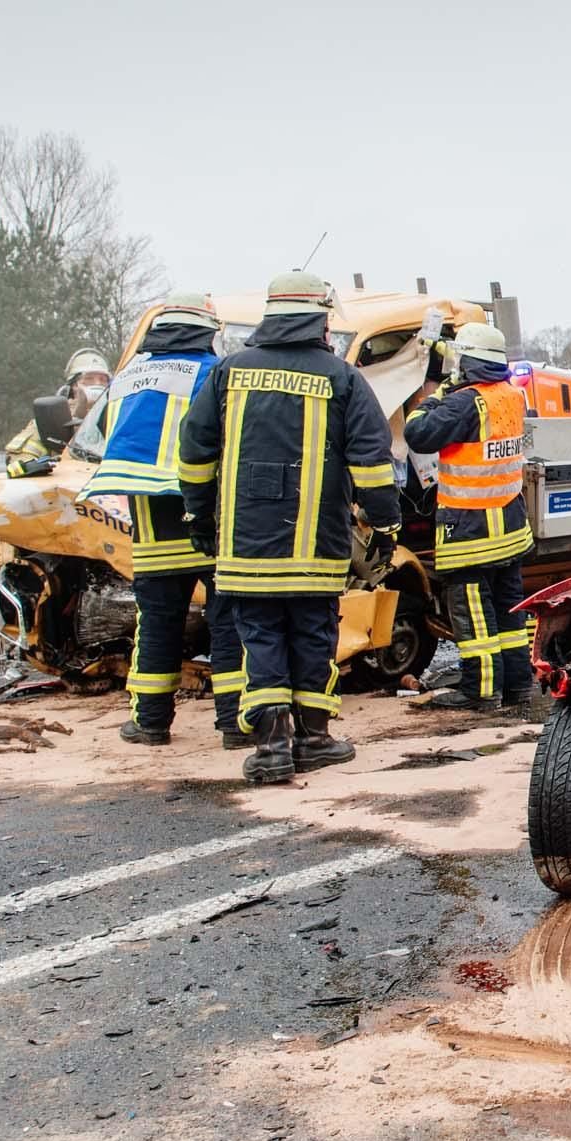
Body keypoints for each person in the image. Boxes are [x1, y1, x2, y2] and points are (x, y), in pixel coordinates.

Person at [179, 271, 400, 783]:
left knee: (260, 639)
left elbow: (195, 452)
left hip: (244, 545)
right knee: (312, 636)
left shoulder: (229, 372)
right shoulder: (342, 378)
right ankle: (315, 739)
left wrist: (198, 514)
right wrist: (386, 525)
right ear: (320, 319)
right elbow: (371, 462)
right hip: (316, 547)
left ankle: (272, 747)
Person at [81, 296, 244, 747]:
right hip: (210, 523)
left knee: (156, 626)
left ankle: (150, 723)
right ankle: (233, 724)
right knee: (228, 622)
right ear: (206, 331)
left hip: (152, 528)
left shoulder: (127, 377)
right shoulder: (217, 374)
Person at [404, 323, 535, 711]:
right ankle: (517, 686)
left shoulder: (465, 403)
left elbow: (417, 433)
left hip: (472, 531)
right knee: (509, 616)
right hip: (508, 526)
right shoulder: (511, 396)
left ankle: (480, 691)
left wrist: (438, 392)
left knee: (474, 617)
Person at [5, 348, 111, 470]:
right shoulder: (53, 418)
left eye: (103, 380)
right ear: (74, 386)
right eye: (89, 379)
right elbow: (18, 461)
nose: (97, 384)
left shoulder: (119, 416)